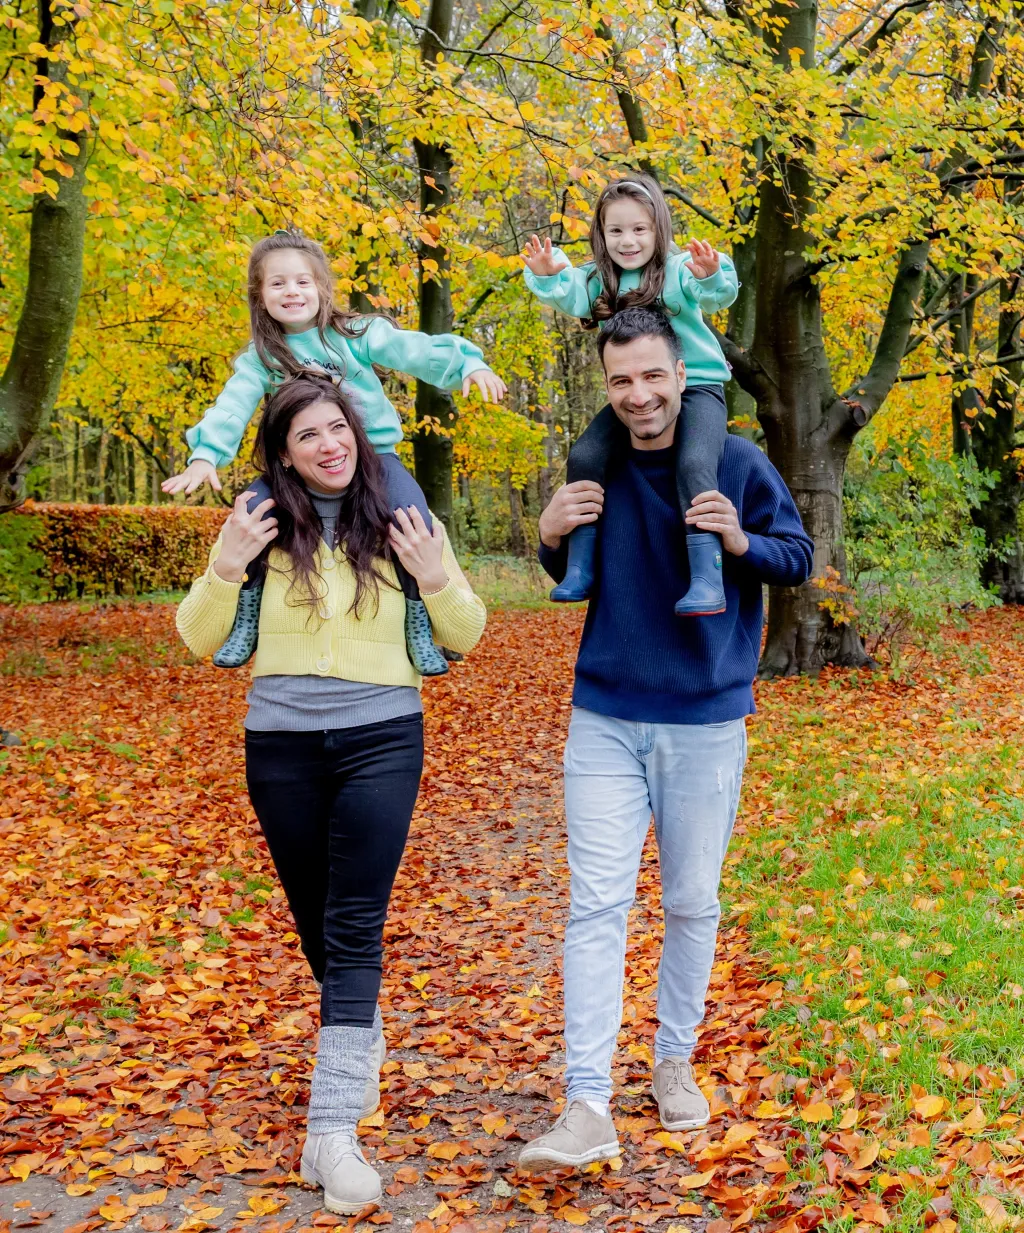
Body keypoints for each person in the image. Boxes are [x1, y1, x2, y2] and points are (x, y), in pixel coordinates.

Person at [176, 375, 486, 1213]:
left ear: (358, 433)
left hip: (383, 735)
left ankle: (332, 1129)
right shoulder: (260, 527)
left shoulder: (405, 519)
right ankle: (358, 1044)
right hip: (277, 745)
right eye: (307, 434)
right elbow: (201, 639)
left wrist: (434, 576)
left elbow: (466, 632)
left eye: (338, 428)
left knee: (354, 926)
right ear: (284, 452)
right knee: (318, 922)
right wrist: (223, 563)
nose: (329, 444)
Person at [518, 306, 813, 1174]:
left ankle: (673, 1059)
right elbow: (572, 568)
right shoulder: (597, 465)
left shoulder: (735, 461)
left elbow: (796, 556)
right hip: (604, 711)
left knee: (690, 900)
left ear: (683, 375)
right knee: (597, 904)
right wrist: (546, 532)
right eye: (620, 381)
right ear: (605, 387)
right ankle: (585, 1100)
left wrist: (738, 537)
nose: (639, 396)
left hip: (705, 718)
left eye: (653, 376)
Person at [164, 230, 504, 676]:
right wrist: (207, 454)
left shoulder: (354, 334)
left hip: (377, 456)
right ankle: (247, 611)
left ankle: (417, 618)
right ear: (259, 294)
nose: (292, 292)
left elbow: (412, 349)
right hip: (298, 470)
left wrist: (466, 364)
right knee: (252, 511)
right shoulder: (262, 357)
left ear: (323, 288)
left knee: (410, 518)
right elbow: (233, 405)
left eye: (303, 282)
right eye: (278, 283)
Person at [523, 173, 738, 616]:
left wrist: (713, 274)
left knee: (695, 462)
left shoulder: (676, 272)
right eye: (615, 230)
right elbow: (566, 291)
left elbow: (714, 295)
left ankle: (706, 575)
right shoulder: (599, 282)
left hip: (696, 388)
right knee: (584, 456)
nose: (628, 240)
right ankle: (581, 565)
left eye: (639, 229)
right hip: (636, 396)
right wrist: (546, 275)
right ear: (602, 236)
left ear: (658, 229)